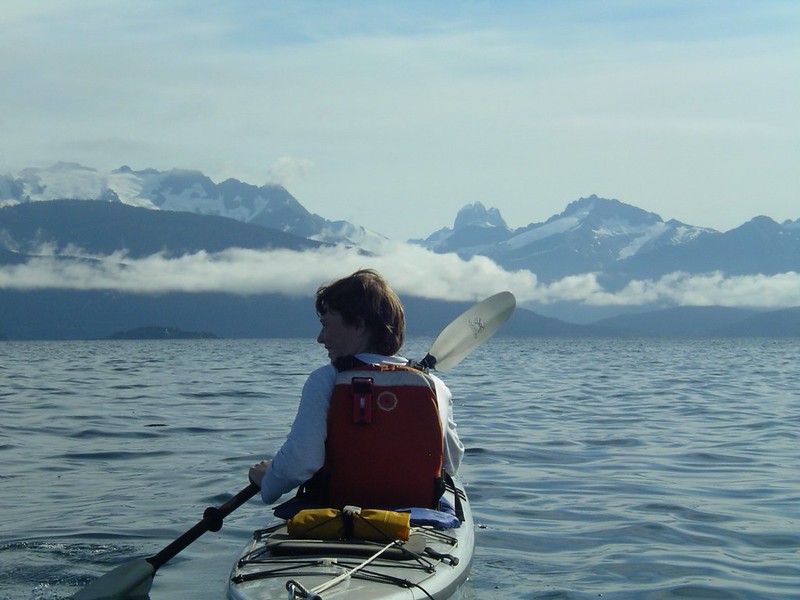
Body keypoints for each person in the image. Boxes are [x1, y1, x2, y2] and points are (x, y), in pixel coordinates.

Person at [249, 268, 464, 509]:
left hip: (341, 516)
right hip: (413, 522)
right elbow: (451, 463)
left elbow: (301, 460)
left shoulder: (326, 380)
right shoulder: (435, 387)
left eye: (327, 325)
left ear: (359, 325)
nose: (321, 338)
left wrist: (268, 481)